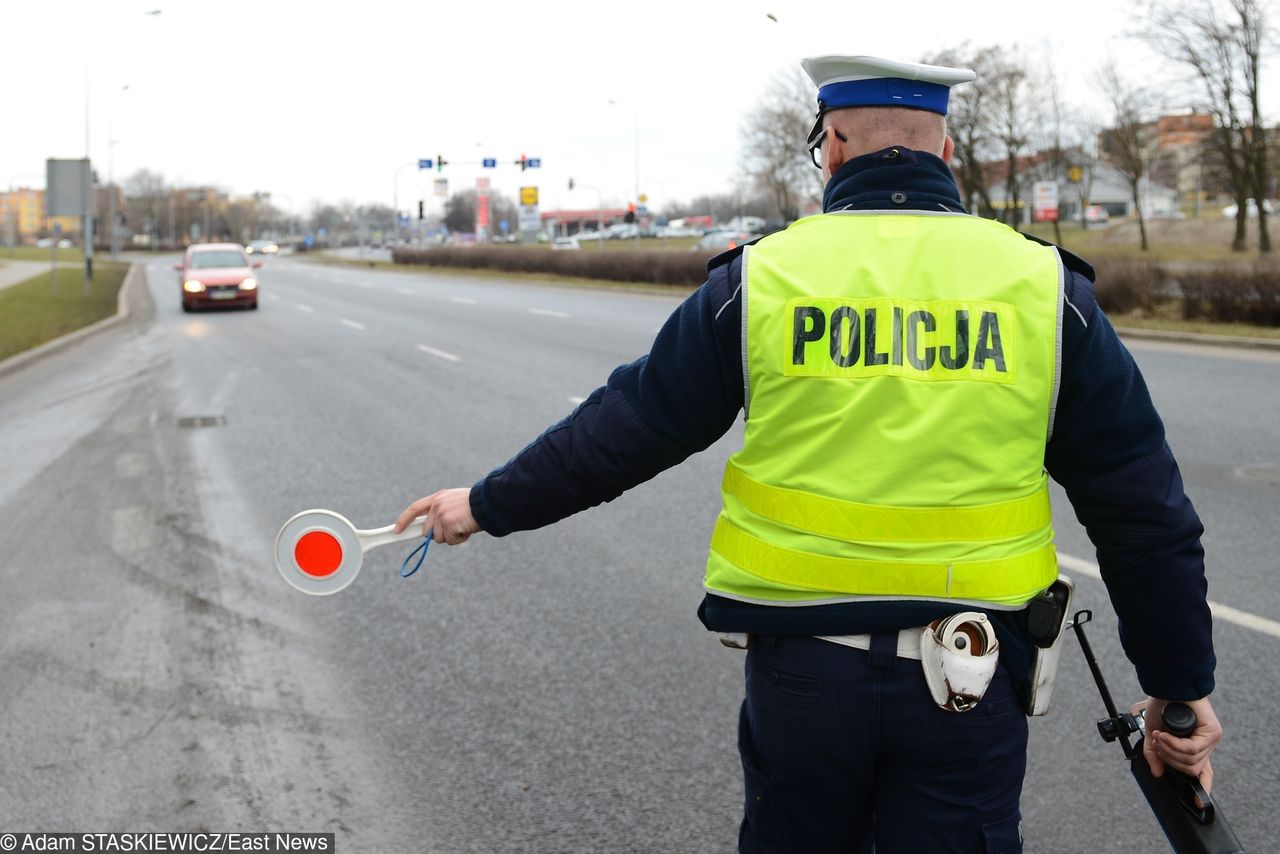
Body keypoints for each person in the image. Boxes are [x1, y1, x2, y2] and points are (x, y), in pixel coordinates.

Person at [395, 55, 1221, 853]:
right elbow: (1142, 510)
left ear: (831, 145)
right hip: (968, 679)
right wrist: (1176, 695)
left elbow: (623, 431)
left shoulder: (761, 282)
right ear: (947, 151)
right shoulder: (1045, 291)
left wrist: (485, 503)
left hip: (803, 683)